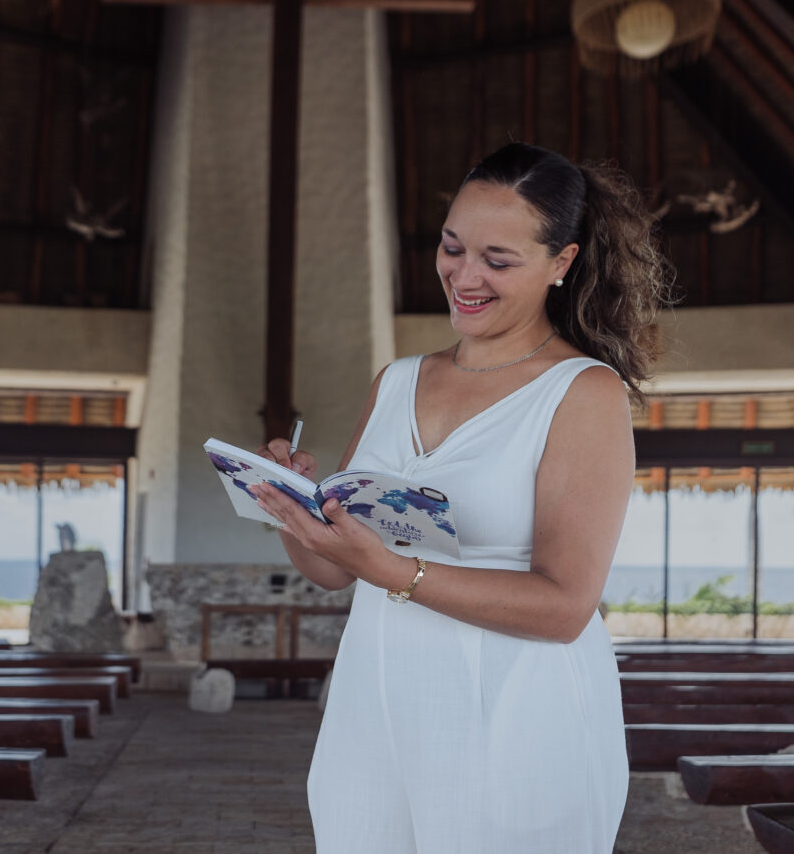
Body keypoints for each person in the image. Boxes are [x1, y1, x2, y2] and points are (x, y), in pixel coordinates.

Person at [249, 141, 665, 852]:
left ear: (560, 263)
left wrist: (396, 573)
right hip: (375, 703)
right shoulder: (397, 380)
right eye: (451, 248)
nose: (464, 276)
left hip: (517, 711)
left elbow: (566, 606)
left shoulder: (582, 393)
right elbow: (335, 569)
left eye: (498, 260)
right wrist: (292, 508)